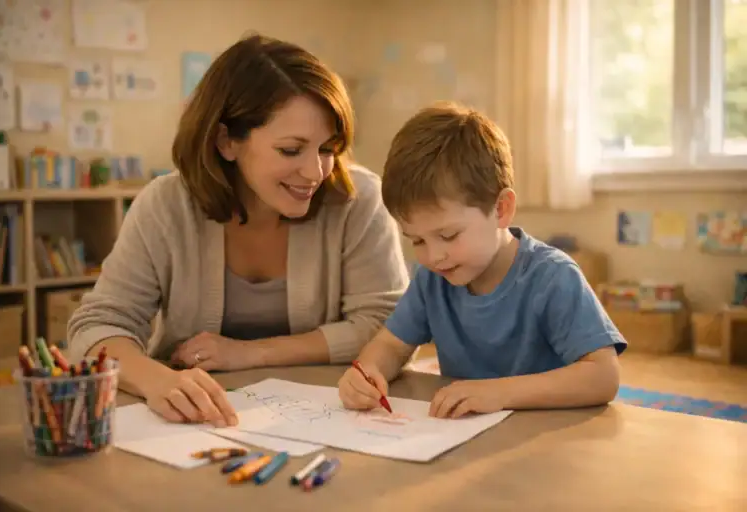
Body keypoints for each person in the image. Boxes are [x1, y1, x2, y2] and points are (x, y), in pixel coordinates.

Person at [67, 33, 409, 427]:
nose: (315, 172)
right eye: (291, 150)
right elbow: (97, 326)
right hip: (196, 424)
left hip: (328, 420)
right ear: (226, 141)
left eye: (327, 148)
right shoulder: (165, 206)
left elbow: (388, 327)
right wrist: (155, 380)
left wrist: (248, 352)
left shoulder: (358, 200)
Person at [338, 101, 627, 418]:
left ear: (501, 209)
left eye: (448, 235)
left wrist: (500, 393)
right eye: (417, 240)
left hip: (546, 434)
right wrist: (367, 372)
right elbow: (391, 345)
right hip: (468, 435)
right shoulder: (433, 280)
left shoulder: (553, 277)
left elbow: (604, 375)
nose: (433, 256)